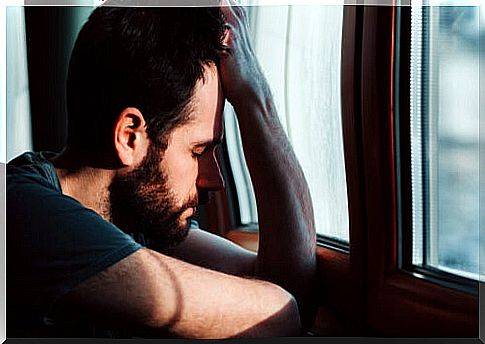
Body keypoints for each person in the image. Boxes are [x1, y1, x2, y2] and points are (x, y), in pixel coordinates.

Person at [7, 1, 317, 338]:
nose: (214, 181)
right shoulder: (24, 213)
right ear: (130, 137)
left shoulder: (132, 216)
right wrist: (257, 98)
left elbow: (289, 286)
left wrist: (253, 96)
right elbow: (281, 316)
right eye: (198, 151)